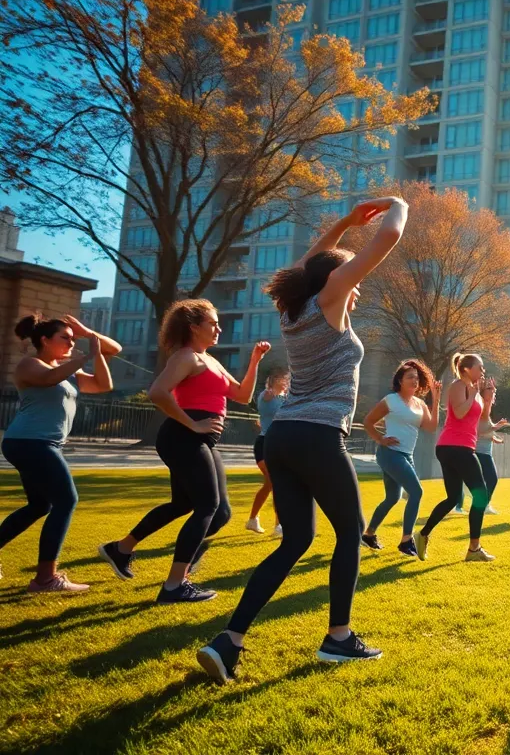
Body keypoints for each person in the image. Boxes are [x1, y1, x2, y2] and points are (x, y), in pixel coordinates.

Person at [196, 197, 409, 683]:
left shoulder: (292, 309)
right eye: (351, 281)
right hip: (316, 436)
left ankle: (228, 642)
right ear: (336, 280)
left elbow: (303, 265)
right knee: (351, 533)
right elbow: (389, 237)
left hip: (283, 438)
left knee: (296, 540)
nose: (357, 289)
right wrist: (398, 202)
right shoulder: (329, 300)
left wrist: (344, 223)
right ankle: (338, 638)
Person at [100, 300, 268, 604]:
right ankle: (174, 585)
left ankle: (121, 549)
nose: (219, 328)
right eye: (213, 323)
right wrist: (192, 423)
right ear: (194, 327)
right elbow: (157, 392)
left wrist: (255, 360)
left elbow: (242, 395)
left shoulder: (210, 360)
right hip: (183, 437)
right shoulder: (185, 357)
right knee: (207, 507)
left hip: (198, 440)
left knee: (208, 510)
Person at [0, 314, 117, 592]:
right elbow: (49, 377)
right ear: (44, 340)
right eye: (65, 337)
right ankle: (45, 579)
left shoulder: (70, 371)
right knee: (66, 500)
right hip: (31, 441)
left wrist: (90, 337)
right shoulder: (31, 364)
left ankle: (45, 577)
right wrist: (82, 357)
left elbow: (104, 383)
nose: (70, 342)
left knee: (41, 505)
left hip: (40, 443)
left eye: (72, 338)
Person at [417, 353, 496, 561]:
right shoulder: (458, 386)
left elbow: (480, 423)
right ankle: (474, 549)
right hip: (455, 447)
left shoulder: (475, 393)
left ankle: (423, 534)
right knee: (480, 495)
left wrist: (487, 401)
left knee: (453, 498)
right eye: (480, 366)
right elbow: (460, 413)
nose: (483, 371)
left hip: (459, 447)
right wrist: (473, 394)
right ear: (467, 369)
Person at [362, 359, 440, 558]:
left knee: (392, 498)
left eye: (416, 377)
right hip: (390, 454)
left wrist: (436, 399)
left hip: (407, 455)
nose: (414, 380)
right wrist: (380, 439)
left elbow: (431, 427)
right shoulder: (391, 400)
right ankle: (406, 540)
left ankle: (368, 534)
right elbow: (368, 421)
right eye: (410, 377)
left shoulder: (420, 404)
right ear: (400, 381)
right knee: (416, 491)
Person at [245, 367, 289, 537]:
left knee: (270, 484)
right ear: (275, 379)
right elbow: (266, 399)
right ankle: (279, 526)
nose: (287, 381)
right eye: (284, 378)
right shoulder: (267, 395)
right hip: (265, 444)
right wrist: (270, 389)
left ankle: (252, 520)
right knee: (277, 483)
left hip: (279, 445)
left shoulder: (286, 398)